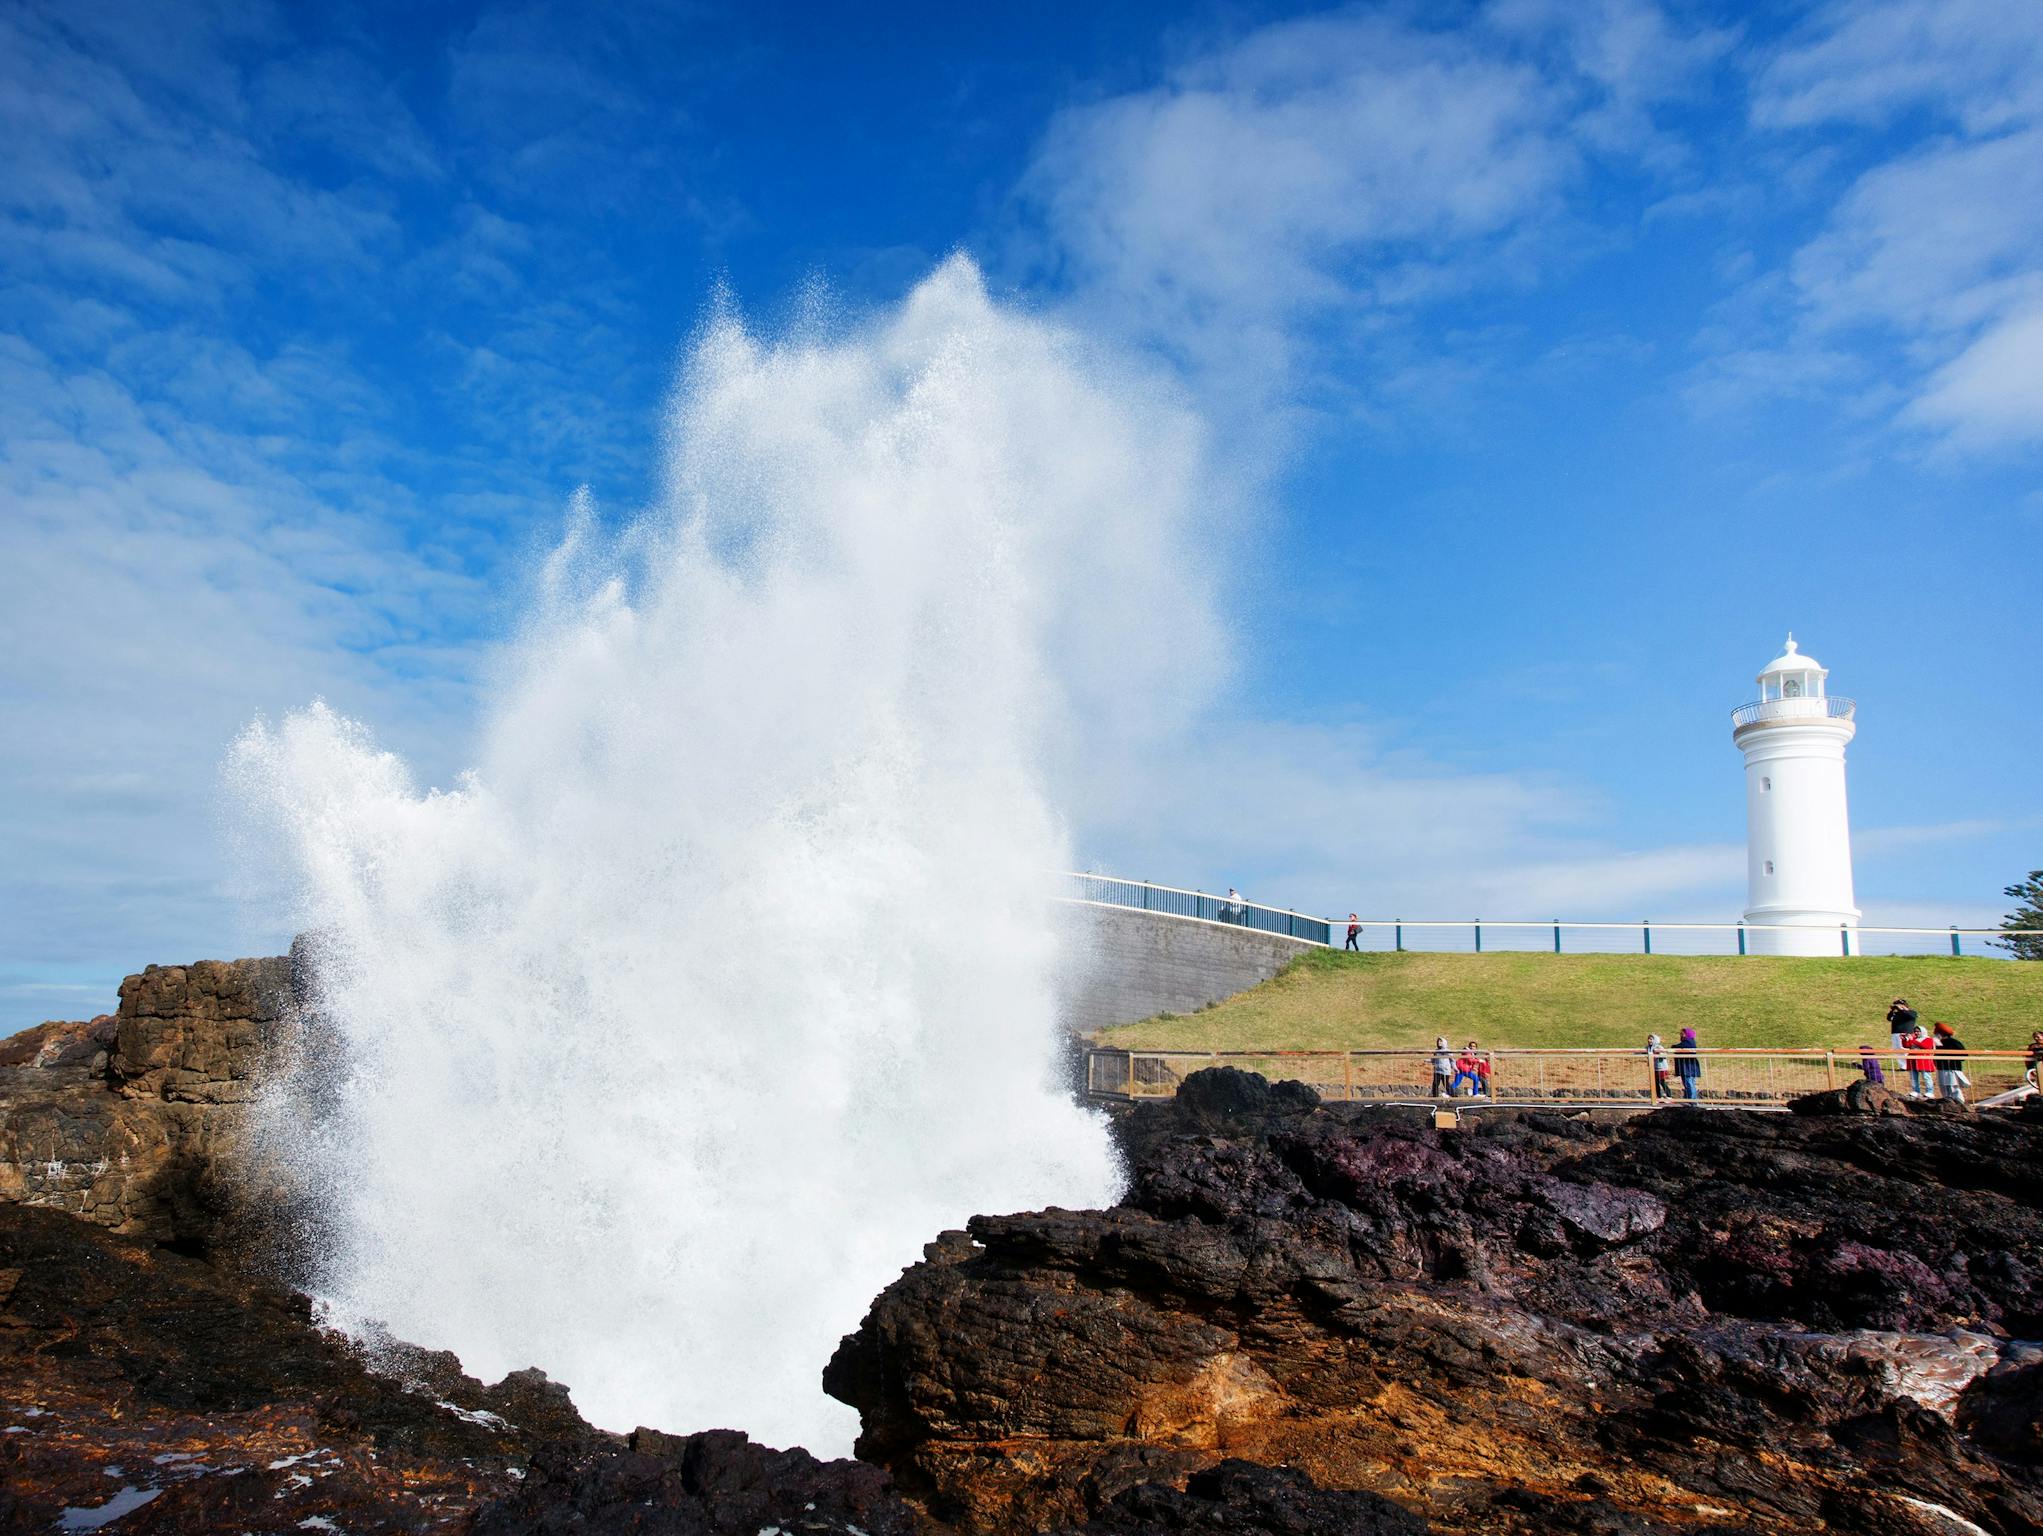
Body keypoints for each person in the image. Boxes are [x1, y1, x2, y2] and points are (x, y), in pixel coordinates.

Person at [1933, 1022, 1969, 1104]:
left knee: (1953, 1086)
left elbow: (1964, 1054)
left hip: (1952, 1068)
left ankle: (1959, 1102)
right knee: (1943, 1086)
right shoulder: (1938, 1043)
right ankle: (1947, 1102)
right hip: (1941, 1068)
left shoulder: (1953, 1042)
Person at [1901, 1023, 1937, 1099]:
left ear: (1922, 1032)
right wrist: (1904, 1039)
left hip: (1923, 1061)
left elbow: (1925, 1046)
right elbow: (1906, 1045)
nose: (1916, 1033)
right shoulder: (1914, 1039)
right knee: (1913, 1077)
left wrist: (1913, 1040)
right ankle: (1916, 1091)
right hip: (1913, 1061)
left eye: (1918, 1031)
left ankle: (1930, 1092)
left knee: (1926, 1077)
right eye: (1915, 1031)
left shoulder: (1928, 1039)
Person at [1887, 997, 1918, 1074]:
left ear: (1904, 1005)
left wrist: (1902, 1009)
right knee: (1897, 1049)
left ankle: (1909, 1065)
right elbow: (1889, 1018)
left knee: (1905, 1049)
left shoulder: (1911, 1012)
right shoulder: (1896, 1014)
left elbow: (1911, 1016)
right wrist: (1892, 1010)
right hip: (1895, 1033)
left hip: (1906, 1033)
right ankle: (1903, 1066)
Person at [1674, 1027, 1702, 1101]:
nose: (1681, 1035)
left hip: (1688, 1067)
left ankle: (1693, 1100)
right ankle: (1690, 1099)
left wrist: (1674, 1047)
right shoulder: (1687, 1042)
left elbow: (1678, 1047)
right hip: (1687, 1067)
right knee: (1689, 1084)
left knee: (1689, 1084)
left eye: (1682, 1034)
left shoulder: (1688, 1042)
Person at [1645, 1033, 1671, 1100]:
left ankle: (1669, 1095)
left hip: (1661, 1067)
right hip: (1654, 1068)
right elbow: (1641, 1052)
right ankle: (1659, 1096)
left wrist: (1659, 1054)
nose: (1649, 1040)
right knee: (1655, 1082)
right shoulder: (1648, 1048)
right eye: (1648, 1039)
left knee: (1661, 1081)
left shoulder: (1659, 1047)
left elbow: (1664, 1055)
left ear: (1655, 1040)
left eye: (1651, 1039)